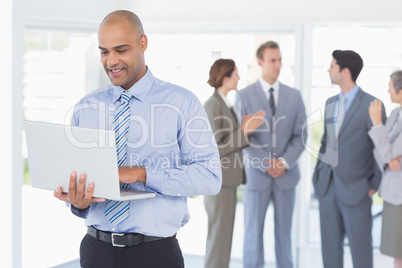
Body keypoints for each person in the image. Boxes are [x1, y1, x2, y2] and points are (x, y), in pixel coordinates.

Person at [53, 10, 222, 268]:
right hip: (96, 251)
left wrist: (142, 174)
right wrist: (78, 203)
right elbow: (78, 179)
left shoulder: (182, 103)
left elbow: (210, 178)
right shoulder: (86, 107)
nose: (111, 61)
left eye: (121, 50)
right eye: (104, 51)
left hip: (155, 253)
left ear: (143, 43)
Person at [235, 41, 307, 268]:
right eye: (272, 60)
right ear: (260, 62)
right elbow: (242, 138)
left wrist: (283, 162)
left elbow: (301, 135)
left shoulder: (294, 96)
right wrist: (266, 163)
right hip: (257, 176)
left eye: (280, 59)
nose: (278, 65)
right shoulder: (244, 96)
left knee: (284, 237)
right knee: (252, 236)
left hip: (286, 176)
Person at [312, 50, 386, 268]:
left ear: (345, 71)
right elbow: (326, 142)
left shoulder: (373, 105)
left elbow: (381, 148)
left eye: (332, 66)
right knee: (330, 254)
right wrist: (318, 176)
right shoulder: (330, 102)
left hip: (357, 190)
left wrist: (374, 184)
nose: (328, 70)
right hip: (327, 189)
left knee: (361, 253)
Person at [203, 59, 265, 268]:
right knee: (218, 242)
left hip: (227, 183)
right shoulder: (212, 105)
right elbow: (213, 150)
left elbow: (228, 140)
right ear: (225, 77)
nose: (239, 77)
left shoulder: (224, 104)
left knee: (223, 241)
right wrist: (244, 131)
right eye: (236, 74)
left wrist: (244, 126)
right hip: (219, 184)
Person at [368, 70, 402, 268]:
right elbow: (380, 153)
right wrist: (389, 160)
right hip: (391, 193)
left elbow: (389, 153)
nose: (387, 91)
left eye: (390, 87)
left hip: (400, 195)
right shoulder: (396, 113)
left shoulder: (385, 119)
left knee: (400, 253)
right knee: (395, 253)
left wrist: (377, 125)